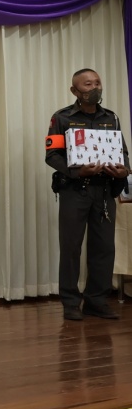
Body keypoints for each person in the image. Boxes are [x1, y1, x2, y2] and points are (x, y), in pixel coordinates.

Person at [45, 68, 129, 321]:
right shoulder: (62, 118)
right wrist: (77, 171)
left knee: (104, 248)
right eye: (87, 84)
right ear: (74, 90)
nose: (94, 88)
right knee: (71, 247)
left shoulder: (111, 118)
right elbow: (52, 156)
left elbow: (123, 153)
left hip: (104, 191)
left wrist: (124, 170)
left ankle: (97, 301)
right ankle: (71, 302)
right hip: (75, 190)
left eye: (97, 83)